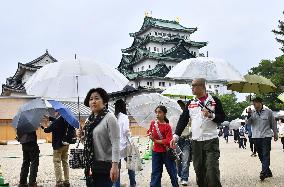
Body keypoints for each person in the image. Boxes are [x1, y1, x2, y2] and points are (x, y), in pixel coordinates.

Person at [170, 78, 225, 187]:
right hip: (196, 142)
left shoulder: (214, 100)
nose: (192, 88)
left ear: (202, 87)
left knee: (212, 170)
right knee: (199, 171)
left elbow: (222, 117)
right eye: (192, 86)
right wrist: (176, 136)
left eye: (194, 86)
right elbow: (183, 120)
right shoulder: (191, 103)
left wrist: (211, 115)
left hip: (211, 141)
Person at [79, 88, 120, 187]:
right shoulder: (89, 120)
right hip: (91, 166)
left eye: (96, 98)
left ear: (104, 101)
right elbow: (88, 143)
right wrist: (81, 136)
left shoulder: (110, 118)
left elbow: (116, 143)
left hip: (105, 167)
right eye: (91, 99)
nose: (93, 101)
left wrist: (115, 166)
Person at [246, 97, 278, 181]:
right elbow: (248, 124)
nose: (254, 104)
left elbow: (273, 123)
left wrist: (275, 134)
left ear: (261, 103)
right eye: (253, 103)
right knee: (260, 155)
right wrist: (248, 115)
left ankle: (263, 172)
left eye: (255, 102)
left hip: (266, 136)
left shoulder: (268, 111)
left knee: (265, 154)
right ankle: (268, 171)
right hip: (256, 137)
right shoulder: (252, 113)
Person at [147, 105, 179, 187]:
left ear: (164, 114)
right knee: (155, 173)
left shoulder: (167, 126)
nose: (157, 114)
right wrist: (150, 134)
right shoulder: (153, 123)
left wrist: (156, 141)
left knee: (172, 172)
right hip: (156, 152)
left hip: (167, 152)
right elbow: (149, 131)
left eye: (159, 112)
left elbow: (168, 141)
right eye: (156, 112)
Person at [42, 111, 70, 187]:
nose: (54, 112)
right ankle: (67, 181)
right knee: (65, 162)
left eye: (55, 111)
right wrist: (49, 118)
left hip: (58, 145)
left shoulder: (57, 122)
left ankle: (59, 182)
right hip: (65, 144)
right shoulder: (66, 119)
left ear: (58, 113)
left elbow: (47, 130)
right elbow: (56, 120)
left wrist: (43, 126)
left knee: (57, 162)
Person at [113, 99, 136, 187]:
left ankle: (116, 185)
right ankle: (133, 184)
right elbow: (126, 131)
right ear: (123, 107)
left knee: (116, 167)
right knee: (130, 165)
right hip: (125, 145)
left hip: (115, 146)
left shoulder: (113, 116)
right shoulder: (124, 117)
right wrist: (131, 137)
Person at [175, 100, 191, 186]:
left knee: (185, 160)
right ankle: (180, 175)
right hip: (177, 140)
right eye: (179, 106)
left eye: (181, 106)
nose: (180, 108)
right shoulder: (173, 116)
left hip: (186, 139)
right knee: (178, 161)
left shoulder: (187, 116)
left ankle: (185, 178)